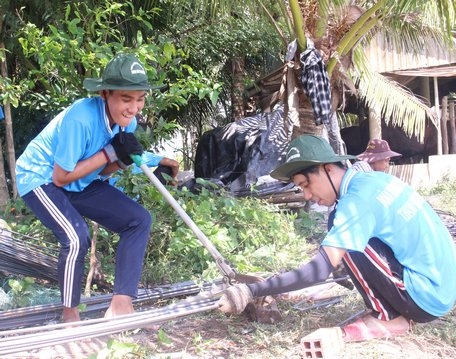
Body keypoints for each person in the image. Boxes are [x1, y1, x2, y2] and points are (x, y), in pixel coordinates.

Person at [218, 134, 456, 342]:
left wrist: (252, 291)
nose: (308, 195)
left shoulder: (355, 202)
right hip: (442, 287)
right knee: (343, 233)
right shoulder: (373, 180)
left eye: (306, 184)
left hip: (425, 299)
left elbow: (319, 270)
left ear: (327, 169)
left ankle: (389, 318)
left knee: (343, 232)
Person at [15, 53, 175, 323]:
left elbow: (102, 170)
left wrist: (121, 160)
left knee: (138, 220)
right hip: (40, 179)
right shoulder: (81, 118)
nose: (133, 108)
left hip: (80, 180)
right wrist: (110, 152)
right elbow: (61, 178)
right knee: (77, 237)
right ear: (105, 93)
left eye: (140, 99)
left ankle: (121, 304)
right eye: (126, 99)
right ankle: (70, 315)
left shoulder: (128, 122)